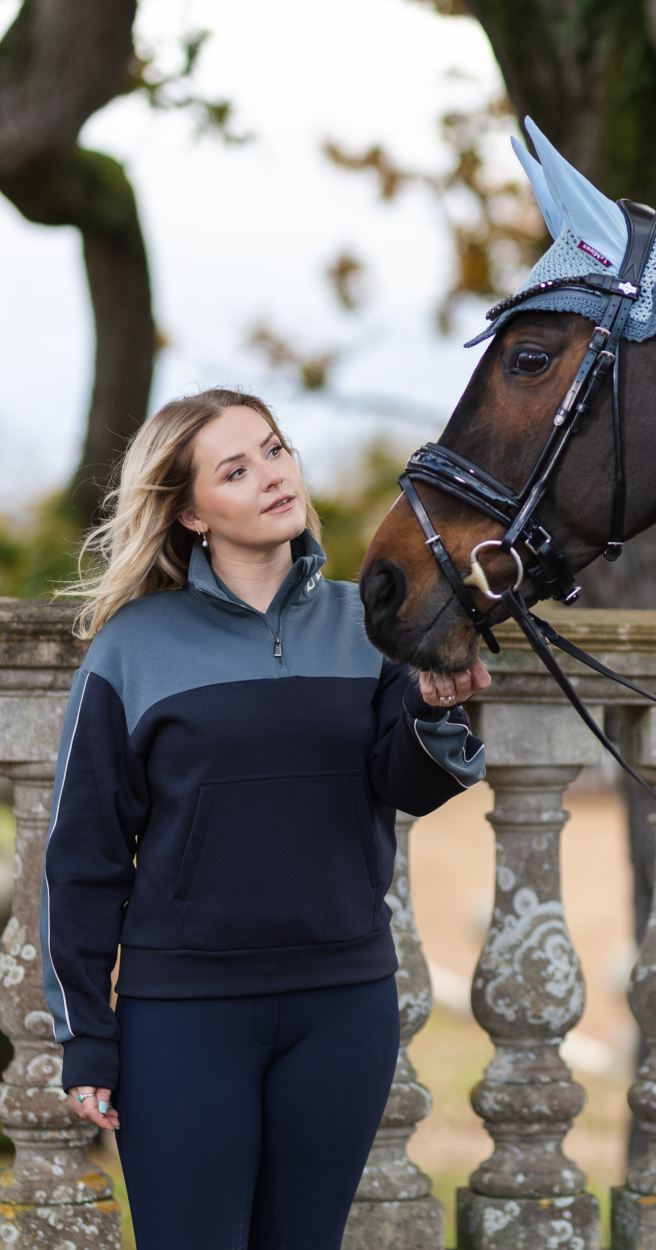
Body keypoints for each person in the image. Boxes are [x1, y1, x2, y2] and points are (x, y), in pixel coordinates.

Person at [38, 387, 490, 1249]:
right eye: (235, 469)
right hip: (183, 1017)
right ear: (189, 514)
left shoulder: (371, 623)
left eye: (276, 451)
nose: (272, 476)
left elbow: (407, 783)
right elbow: (82, 859)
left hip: (342, 1006)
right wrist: (87, 1037)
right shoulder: (133, 647)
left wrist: (437, 710)